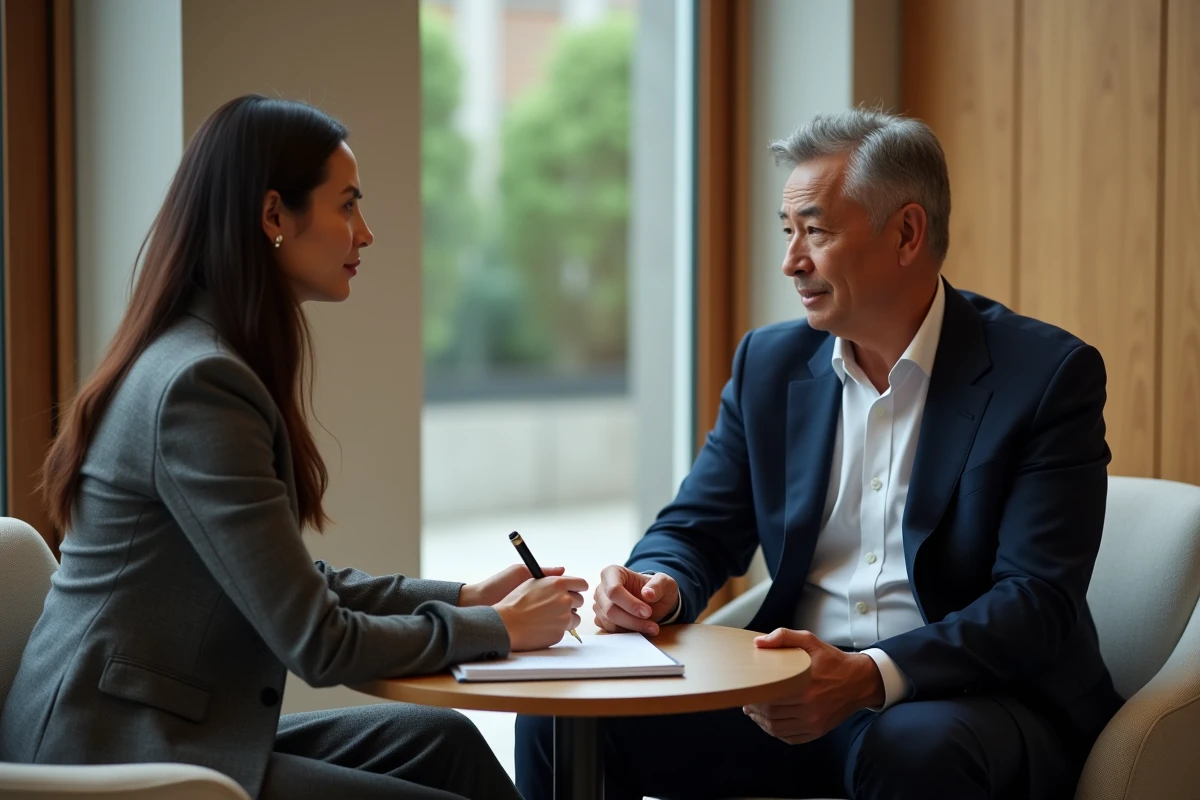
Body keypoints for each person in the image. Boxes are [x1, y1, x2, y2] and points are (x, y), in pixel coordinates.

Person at [516, 108, 1124, 799]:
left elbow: (1036, 602)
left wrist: (870, 676)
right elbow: (697, 527)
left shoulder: (1043, 376)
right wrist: (659, 585)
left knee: (910, 750)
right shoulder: (770, 366)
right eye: (788, 232)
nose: (790, 261)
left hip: (968, 697)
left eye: (816, 231)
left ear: (906, 233)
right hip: (789, 693)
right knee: (562, 717)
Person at [0, 94, 587, 800]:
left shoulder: (201, 358)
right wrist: (495, 628)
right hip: (111, 750)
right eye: (346, 206)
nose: (365, 233)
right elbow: (318, 639)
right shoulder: (200, 385)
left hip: (164, 725)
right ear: (274, 215)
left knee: (443, 741)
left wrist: (463, 595)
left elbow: (289, 583)